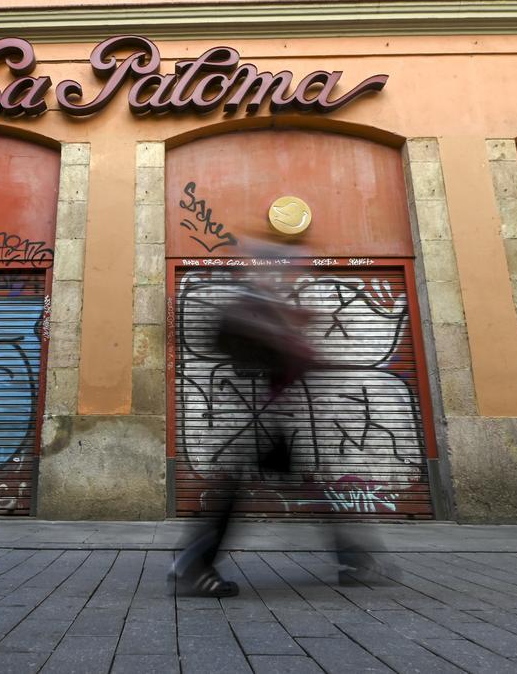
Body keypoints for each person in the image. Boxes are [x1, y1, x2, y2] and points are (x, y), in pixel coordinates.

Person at [169, 242, 396, 597]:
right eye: (287, 268)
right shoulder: (252, 305)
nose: (291, 276)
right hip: (256, 420)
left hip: (271, 421)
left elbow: (289, 354)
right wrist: (290, 338)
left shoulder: (268, 306)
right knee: (245, 492)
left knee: (304, 485)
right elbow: (235, 341)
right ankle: (193, 564)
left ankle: (353, 558)